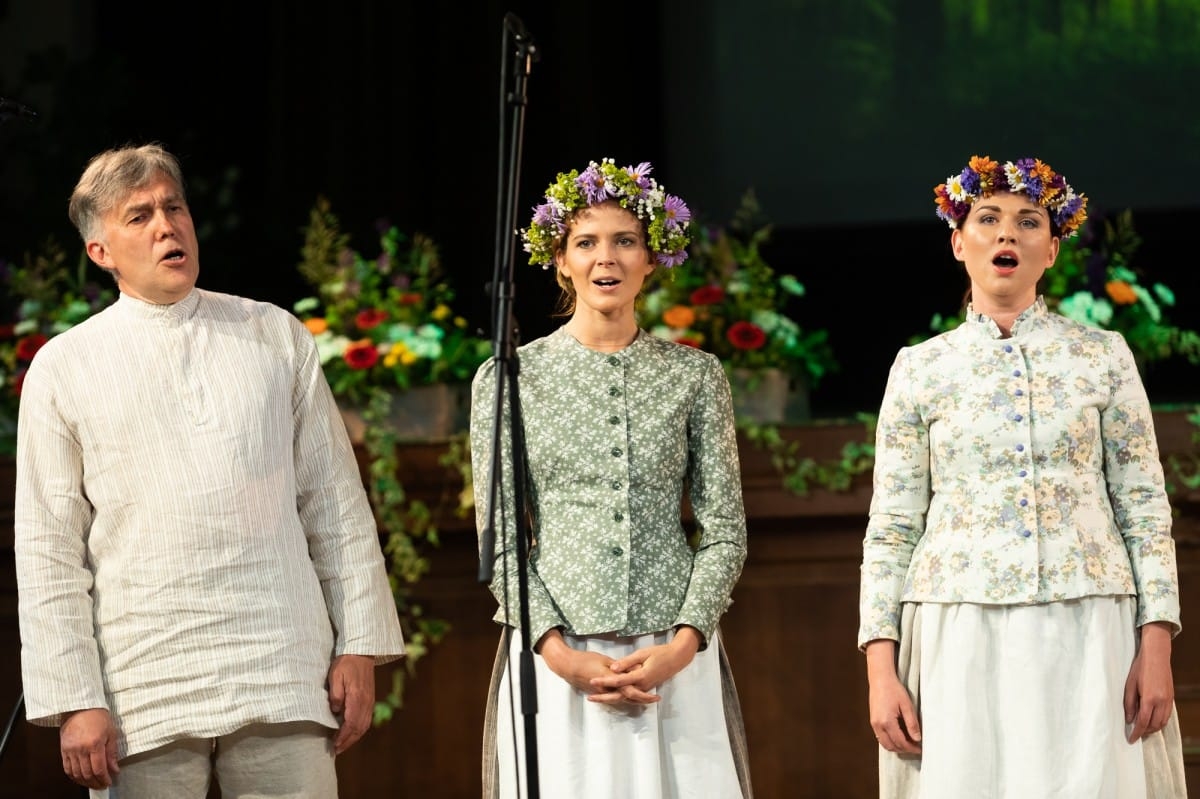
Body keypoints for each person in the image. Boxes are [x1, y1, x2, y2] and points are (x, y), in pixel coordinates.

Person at [14, 142, 406, 798]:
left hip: (280, 665)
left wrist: (358, 642)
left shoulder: (274, 335)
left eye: (175, 207)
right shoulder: (65, 366)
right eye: (139, 216)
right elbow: (49, 548)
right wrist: (75, 697)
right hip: (143, 678)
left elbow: (334, 499)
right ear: (100, 251)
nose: (167, 225)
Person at [858, 155, 1187, 798]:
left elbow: (1146, 508)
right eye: (988, 219)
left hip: (1089, 622)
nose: (1007, 235)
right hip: (959, 626)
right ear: (959, 242)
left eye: (1028, 221)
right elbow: (892, 524)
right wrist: (880, 666)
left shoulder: (1102, 357)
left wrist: (1157, 644)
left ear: (1053, 249)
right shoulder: (920, 368)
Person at [470, 158, 753, 798]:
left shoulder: (694, 375)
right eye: (587, 242)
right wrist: (561, 655)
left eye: (625, 240)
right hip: (558, 654)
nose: (607, 258)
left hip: (673, 654)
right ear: (562, 260)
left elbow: (725, 530)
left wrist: (683, 644)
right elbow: (503, 539)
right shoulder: (511, 379)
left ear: (652, 258)